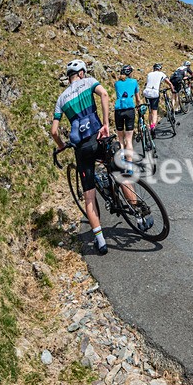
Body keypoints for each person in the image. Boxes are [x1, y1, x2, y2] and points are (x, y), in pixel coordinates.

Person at [51, 60, 111, 255]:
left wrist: (61, 146)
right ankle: (137, 213)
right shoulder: (89, 82)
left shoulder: (61, 99)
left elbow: (54, 131)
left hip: (81, 147)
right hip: (98, 136)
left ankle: (100, 241)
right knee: (117, 170)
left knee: (89, 196)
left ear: (69, 77)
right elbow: (104, 94)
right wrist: (105, 124)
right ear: (82, 73)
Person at [114, 65, 140, 176]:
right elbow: (137, 98)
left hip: (119, 111)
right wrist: (138, 106)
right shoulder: (134, 82)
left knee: (120, 139)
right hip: (130, 110)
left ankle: (122, 164)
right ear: (130, 73)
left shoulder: (116, 83)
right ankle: (129, 167)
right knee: (129, 140)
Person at [143, 63, 168, 136]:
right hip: (154, 93)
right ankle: (153, 126)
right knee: (154, 111)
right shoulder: (161, 74)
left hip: (147, 92)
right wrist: (172, 87)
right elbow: (167, 81)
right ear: (160, 69)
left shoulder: (149, 74)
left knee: (150, 111)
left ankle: (150, 126)